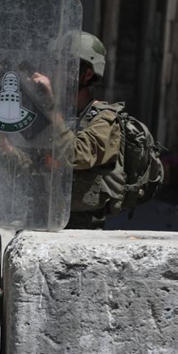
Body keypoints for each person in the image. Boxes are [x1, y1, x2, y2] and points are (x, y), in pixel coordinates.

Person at [67, 32, 123, 229]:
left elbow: (76, 154)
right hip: (41, 222)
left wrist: (48, 109)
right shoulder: (54, 114)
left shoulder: (105, 120)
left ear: (87, 74)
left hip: (82, 229)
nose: (56, 71)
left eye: (67, 65)